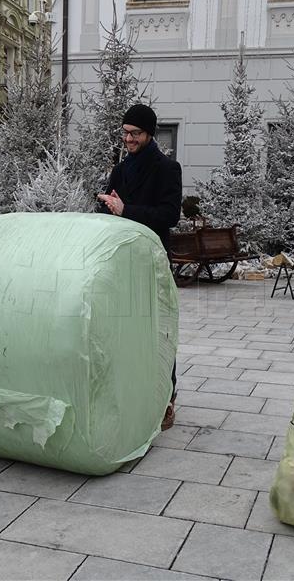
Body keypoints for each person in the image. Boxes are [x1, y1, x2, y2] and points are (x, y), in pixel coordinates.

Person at [97, 103, 183, 430]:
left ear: (149, 133)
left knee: (159, 330)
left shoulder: (167, 168)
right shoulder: (120, 170)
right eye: (125, 133)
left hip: (153, 260)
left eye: (135, 133)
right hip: (123, 261)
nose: (128, 139)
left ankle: (167, 399)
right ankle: (134, 394)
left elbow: (169, 215)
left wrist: (125, 209)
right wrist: (107, 205)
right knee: (127, 330)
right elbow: (110, 210)